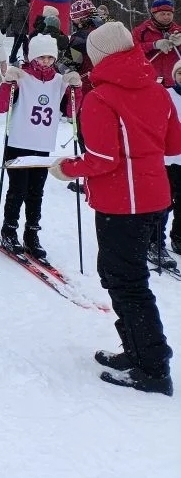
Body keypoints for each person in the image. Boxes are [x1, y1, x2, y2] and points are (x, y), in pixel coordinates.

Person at [49, 21, 177, 396]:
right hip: (151, 197)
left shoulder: (102, 97)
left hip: (123, 202)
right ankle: (138, 350)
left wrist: (66, 168)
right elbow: (172, 145)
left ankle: (152, 366)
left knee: (126, 281)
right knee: (121, 275)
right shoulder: (158, 90)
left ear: (99, 56)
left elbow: (102, 158)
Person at [0, 33, 81, 258]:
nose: (46, 62)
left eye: (50, 58)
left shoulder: (59, 81)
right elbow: (0, 108)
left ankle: (31, 233)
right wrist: (8, 84)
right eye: (41, 57)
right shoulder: (22, 77)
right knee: (17, 190)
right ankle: (9, 230)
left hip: (43, 145)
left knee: (36, 192)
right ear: (32, 56)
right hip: (18, 143)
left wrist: (76, 89)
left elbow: (71, 112)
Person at [132, 0, 181, 85]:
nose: (166, 17)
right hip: (149, 80)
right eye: (162, 14)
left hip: (174, 82)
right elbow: (132, 51)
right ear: (154, 13)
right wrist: (154, 45)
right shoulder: (140, 31)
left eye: (169, 14)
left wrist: (179, 44)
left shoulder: (178, 31)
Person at [164, 60, 181, 257]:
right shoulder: (167, 94)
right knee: (164, 203)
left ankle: (178, 237)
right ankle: (154, 240)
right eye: (179, 73)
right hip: (167, 159)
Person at [7, 0, 31, 65]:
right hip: (21, 30)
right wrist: (32, 27)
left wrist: (5, 26)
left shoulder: (16, 7)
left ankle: (23, 57)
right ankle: (13, 59)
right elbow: (28, 19)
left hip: (15, 29)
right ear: (27, 2)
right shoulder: (25, 8)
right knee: (18, 44)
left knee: (24, 42)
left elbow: (9, 18)